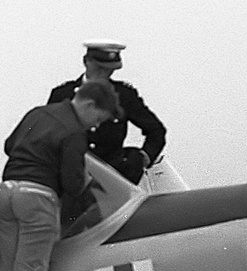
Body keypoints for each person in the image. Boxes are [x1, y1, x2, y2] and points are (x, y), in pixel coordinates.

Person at [0, 81, 120, 271]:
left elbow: (8, 145)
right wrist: (84, 180)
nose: (94, 125)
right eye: (98, 118)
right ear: (89, 104)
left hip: (7, 193)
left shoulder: (37, 113)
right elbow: (72, 184)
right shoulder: (74, 132)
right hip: (38, 200)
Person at [48, 41, 166, 184]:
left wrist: (141, 159)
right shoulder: (62, 95)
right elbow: (47, 136)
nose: (104, 73)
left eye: (109, 70)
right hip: (72, 179)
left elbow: (156, 130)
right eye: (100, 68)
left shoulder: (124, 95)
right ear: (86, 61)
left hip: (115, 181)